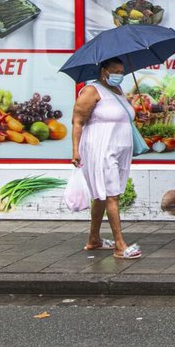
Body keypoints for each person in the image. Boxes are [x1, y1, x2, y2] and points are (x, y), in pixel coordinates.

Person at [71, 57, 141, 259]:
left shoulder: (117, 91)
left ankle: (94, 240)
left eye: (122, 71)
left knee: (103, 195)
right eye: (115, 71)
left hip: (120, 148)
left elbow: (120, 116)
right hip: (100, 148)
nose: (120, 74)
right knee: (112, 194)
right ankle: (120, 246)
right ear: (104, 71)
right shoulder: (91, 91)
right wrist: (75, 150)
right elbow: (77, 122)